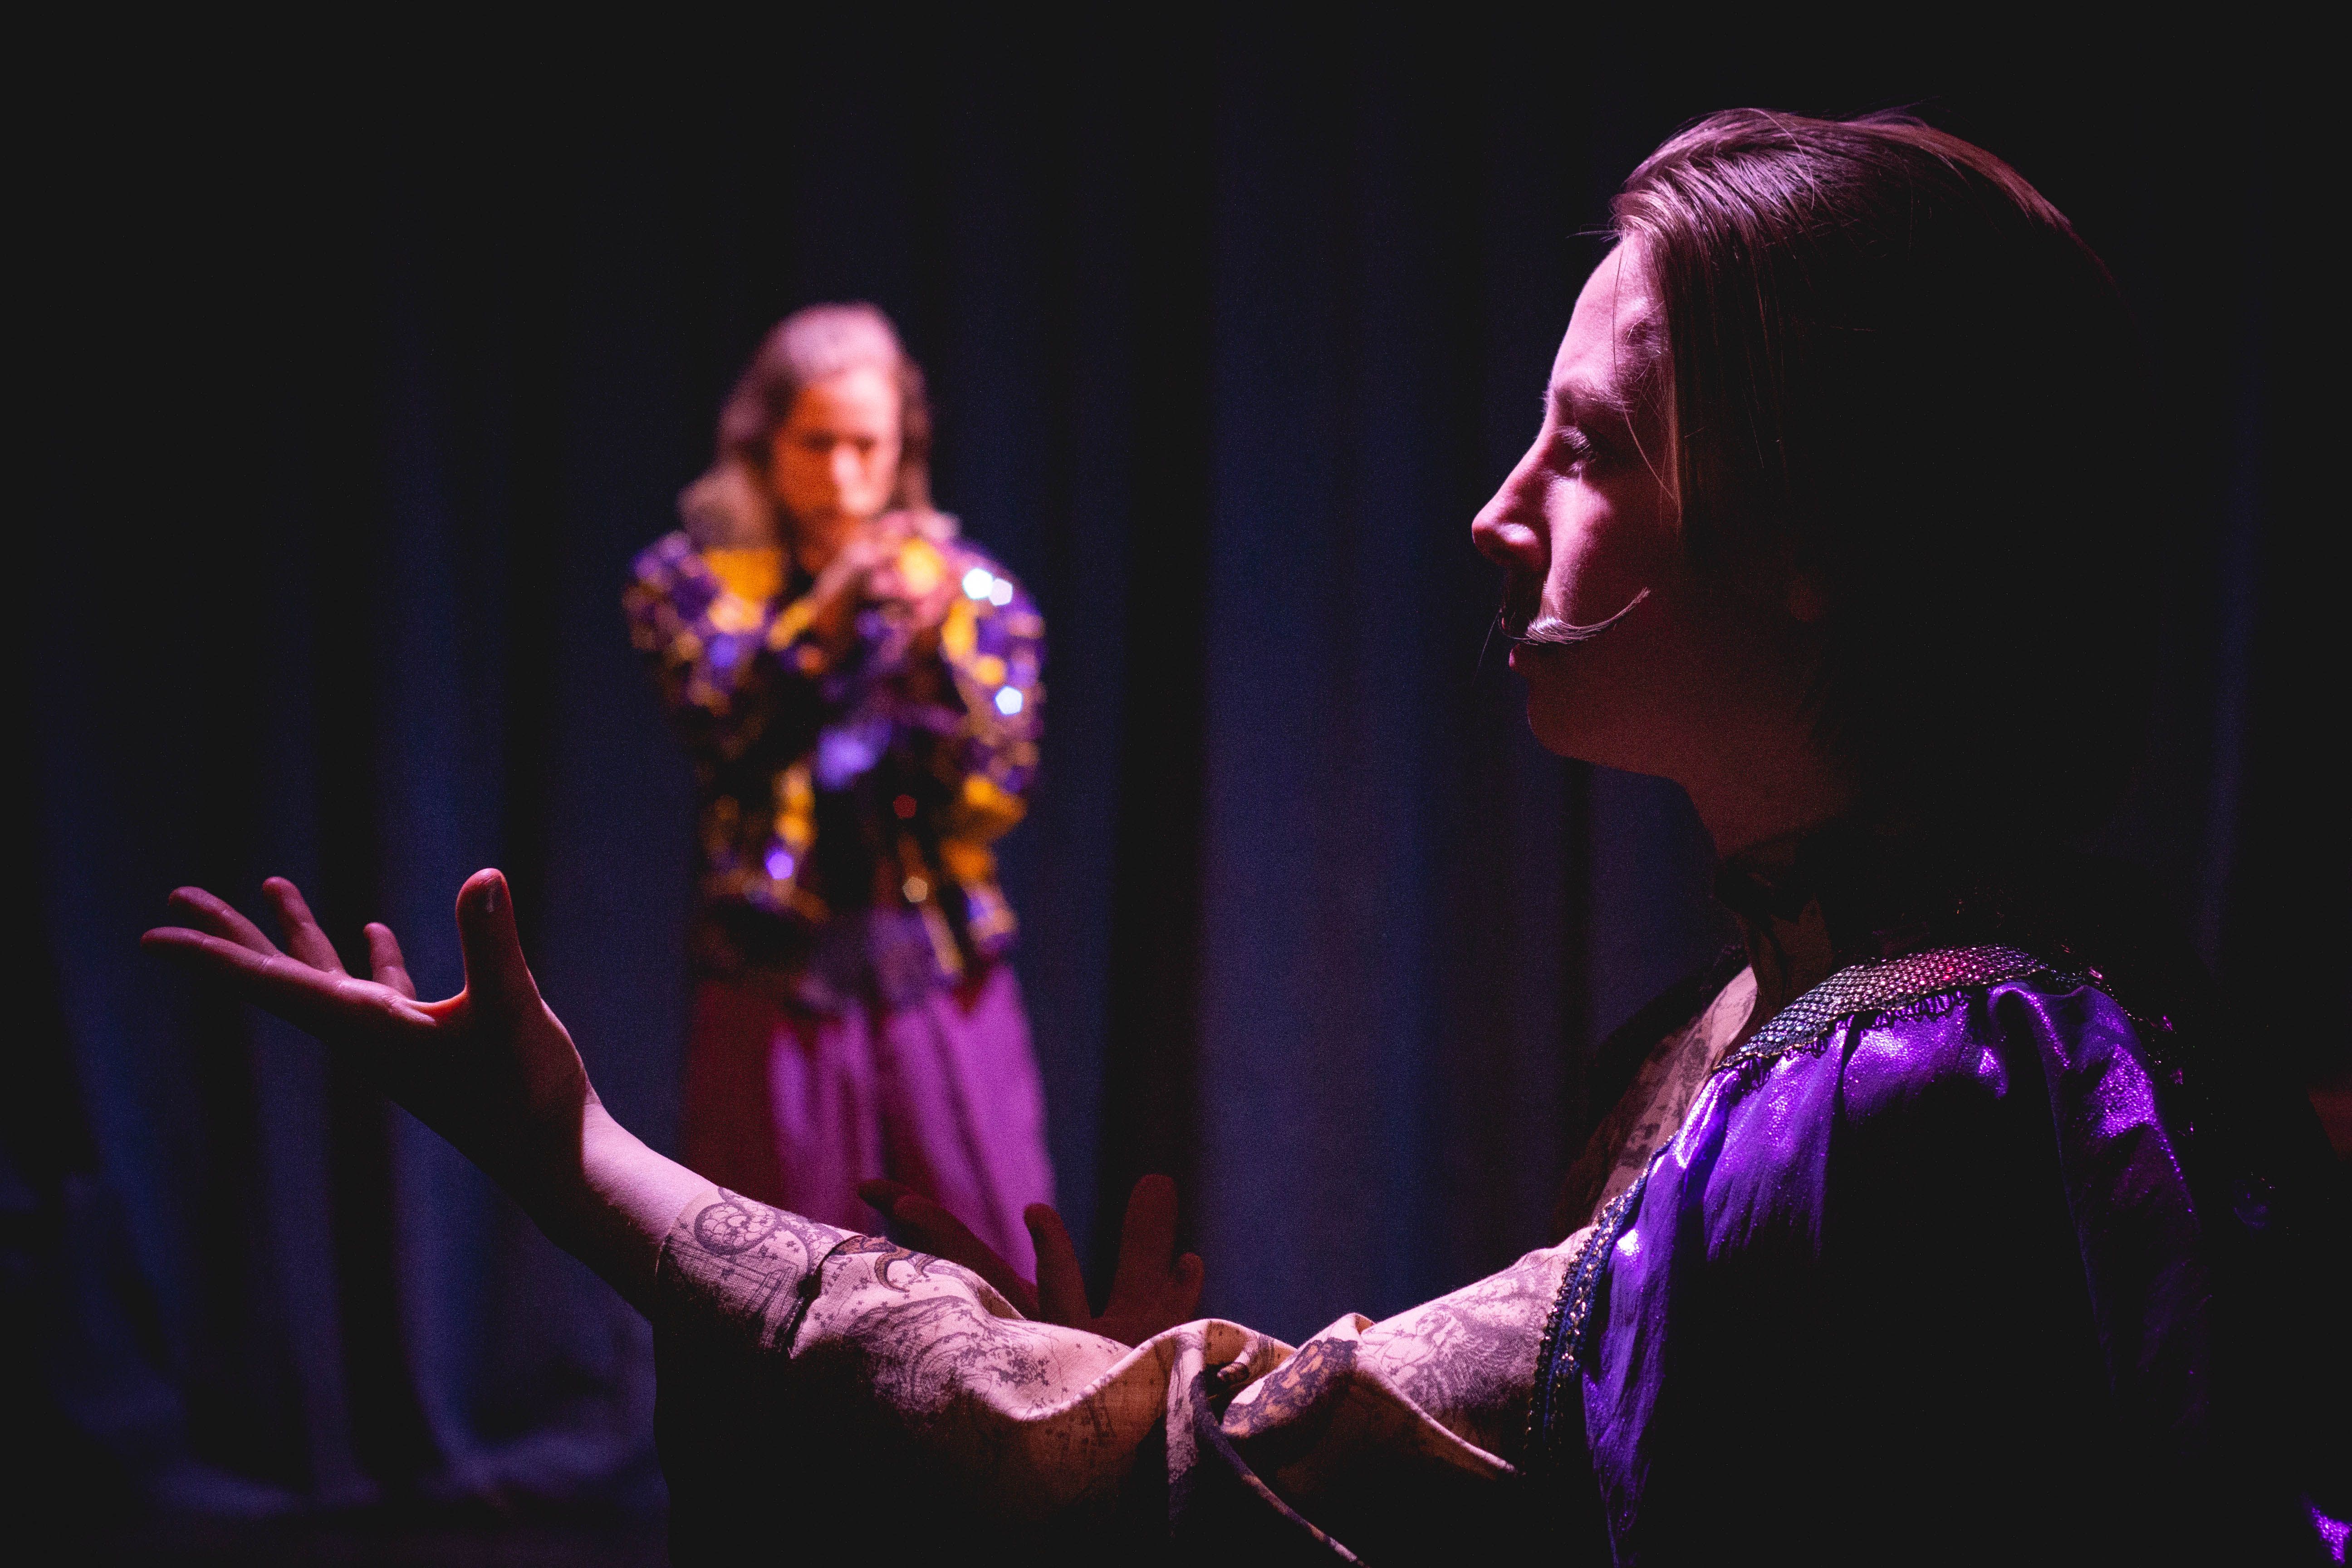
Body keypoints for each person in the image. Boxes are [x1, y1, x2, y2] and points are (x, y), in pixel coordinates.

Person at [146, 113, 2346, 1563]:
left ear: (1821, 545)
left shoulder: (1908, 1087)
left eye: (1589, 448)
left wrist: (574, 1158)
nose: (1496, 511)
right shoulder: (1804, 1020)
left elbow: (1233, 1457)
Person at [622, 304, 1053, 1276]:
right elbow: (724, 730)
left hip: (936, 964)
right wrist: (823, 622)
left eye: (869, 446)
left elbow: (996, 788)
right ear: (764, 444)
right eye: (817, 445)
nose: (845, 478)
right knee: (769, 1274)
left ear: (903, 449)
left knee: (1005, 1260)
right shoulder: (692, 584)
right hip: (774, 968)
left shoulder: (967, 590)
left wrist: (934, 657)